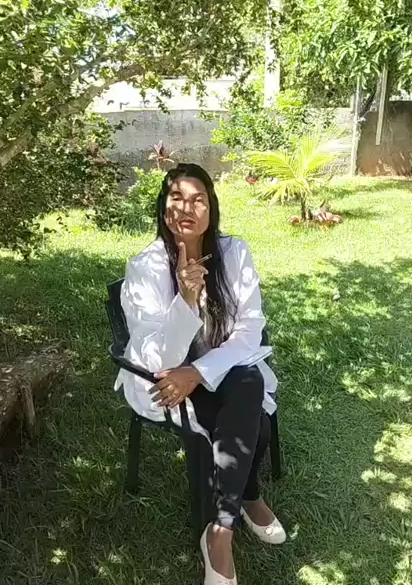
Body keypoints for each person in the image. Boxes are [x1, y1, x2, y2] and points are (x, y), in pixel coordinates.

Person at [115, 163, 286, 585]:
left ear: (211, 209)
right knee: (254, 421)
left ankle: (221, 529)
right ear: (164, 208)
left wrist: (199, 370)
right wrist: (186, 300)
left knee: (249, 388)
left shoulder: (234, 252)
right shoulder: (145, 268)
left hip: (223, 365)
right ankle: (247, 498)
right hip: (167, 380)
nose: (187, 208)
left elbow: (250, 328)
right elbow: (156, 356)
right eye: (177, 198)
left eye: (198, 200)